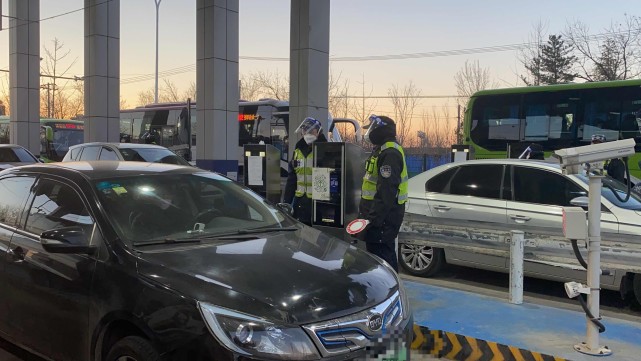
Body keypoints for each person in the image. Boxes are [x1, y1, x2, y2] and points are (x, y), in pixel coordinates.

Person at [357, 115, 408, 272]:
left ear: (381, 130)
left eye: (372, 129)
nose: (369, 133)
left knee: (383, 261)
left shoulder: (390, 153)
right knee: (376, 260)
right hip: (376, 217)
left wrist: (372, 221)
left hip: (382, 220)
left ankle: (391, 291)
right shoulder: (381, 150)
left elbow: (386, 193)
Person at [283, 117, 327, 226]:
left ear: (319, 132)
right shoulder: (298, 150)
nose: (307, 134)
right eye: (304, 131)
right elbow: (292, 179)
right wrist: (286, 203)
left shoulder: (325, 149)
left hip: (319, 203)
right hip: (300, 202)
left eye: (311, 131)